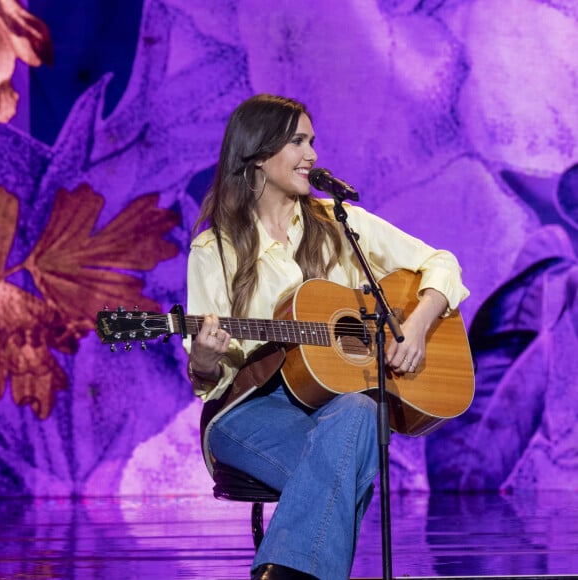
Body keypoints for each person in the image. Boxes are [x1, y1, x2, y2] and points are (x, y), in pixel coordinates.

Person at [184, 94, 469, 580]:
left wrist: (417, 326)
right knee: (348, 467)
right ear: (257, 153)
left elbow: (441, 262)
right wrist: (207, 358)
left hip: (334, 409)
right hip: (248, 408)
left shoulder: (340, 223)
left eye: (312, 141)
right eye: (298, 141)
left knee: (359, 414)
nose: (312, 154)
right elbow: (206, 378)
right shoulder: (215, 248)